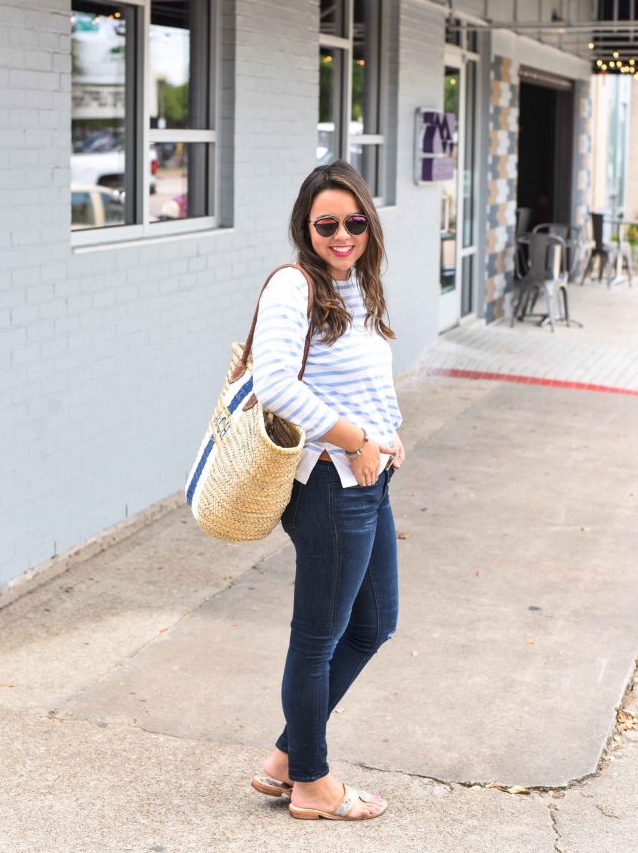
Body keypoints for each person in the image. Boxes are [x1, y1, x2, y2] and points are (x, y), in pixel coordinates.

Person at [249, 161, 405, 822]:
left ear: (368, 223)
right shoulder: (295, 286)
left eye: (353, 222)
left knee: (372, 626)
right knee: (317, 638)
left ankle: (286, 758)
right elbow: (276, 383)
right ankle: (310, 784)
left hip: (370, 477)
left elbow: (361, 383)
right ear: (305, 228)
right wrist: (355, 440)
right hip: (330, 486)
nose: (341, 234)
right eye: (326, 224)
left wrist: (389, 435)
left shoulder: (358, 287)